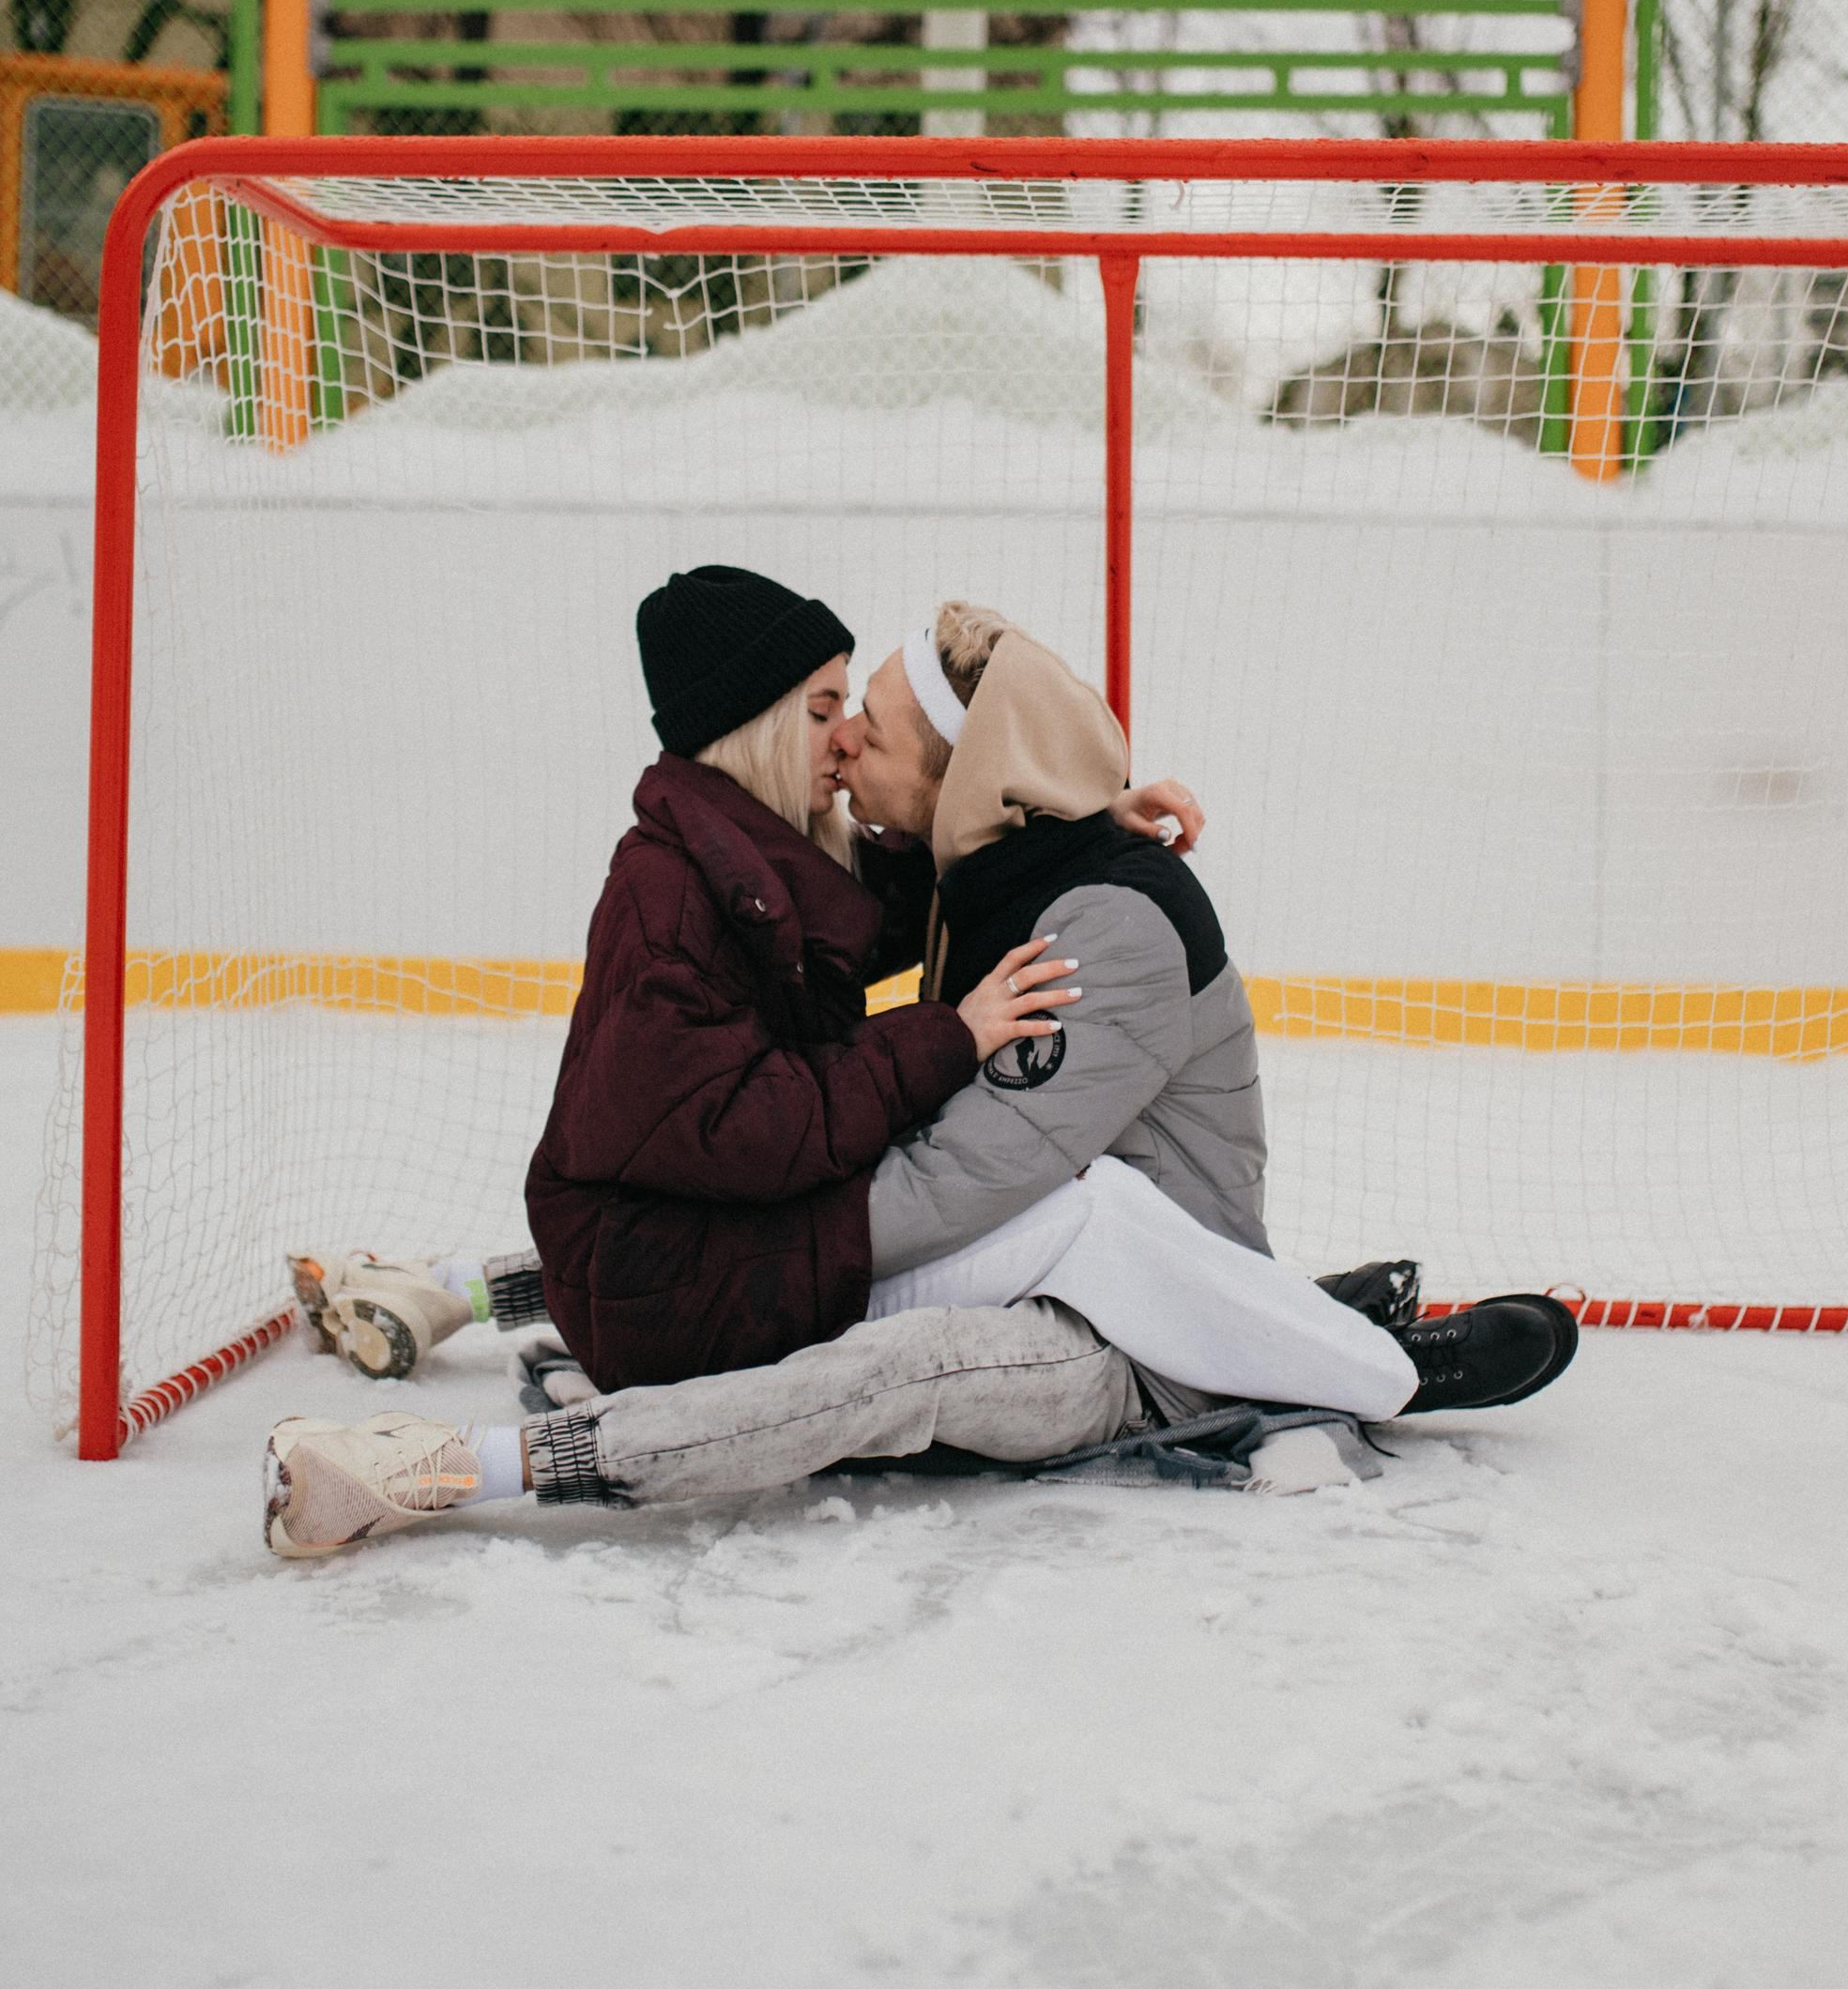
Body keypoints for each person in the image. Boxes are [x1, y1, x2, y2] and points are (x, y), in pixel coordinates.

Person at [267, 579, 1575, 1557]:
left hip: (1120, 1325)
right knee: (724, 1229)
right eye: (832, 719)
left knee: (863, 1358)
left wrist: (780, 1251)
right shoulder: (976, 873)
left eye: (871, 731)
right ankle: (452, 1290)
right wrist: (1072, 809)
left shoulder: (1103, 925)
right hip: (1034, 1241)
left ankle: (459, 1466)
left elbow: (967, 1182)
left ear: (961, 775)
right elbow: (877, 955)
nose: (846, 753)